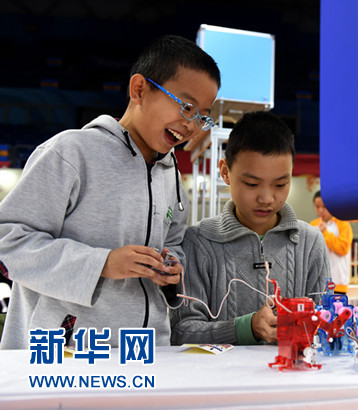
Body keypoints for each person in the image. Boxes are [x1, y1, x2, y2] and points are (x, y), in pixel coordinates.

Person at [0, 35, 220, 349]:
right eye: (186, 107)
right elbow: (7, 240)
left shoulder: (172, 176)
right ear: (139, 90)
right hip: (67, 354)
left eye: (201, 116)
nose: (191, 125)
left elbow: (173, 242)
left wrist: (171, 267)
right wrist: (101, 264)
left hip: (147, 351)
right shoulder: (71, 153)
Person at [170, 111, 328, 345]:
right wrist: (247, 328)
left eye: (281, 184)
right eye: (252, 184)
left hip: (292, 378)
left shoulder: (310, 243)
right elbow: (182, 331)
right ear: (225, 172)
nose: (266, 198)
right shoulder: (199, 242)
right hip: (223, 380)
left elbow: (326, 322)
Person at [310, 191, 352, 294]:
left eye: (324, 207)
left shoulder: (343, 223)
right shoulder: (313, 225)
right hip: (317, 284)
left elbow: (343, 248)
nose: (320, 210)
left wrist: (325, 233)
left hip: (338, 283)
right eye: (317, 206)